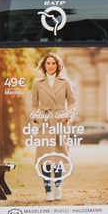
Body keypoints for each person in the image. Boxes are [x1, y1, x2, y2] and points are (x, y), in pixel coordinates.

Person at [31, 52, 77, 201]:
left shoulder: (65, 82)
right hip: (44, 122)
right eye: (48, 63)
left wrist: (66, 116)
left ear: (58, 65)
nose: (51, 66)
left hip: (60, 121)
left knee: (58, 157)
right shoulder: (37, 83)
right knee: (45, 158)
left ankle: (58, 187)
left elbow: (72, 103)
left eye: (53, 63)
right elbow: (33, 106)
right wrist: (36, 117)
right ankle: (48, 190)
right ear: (44, 65)